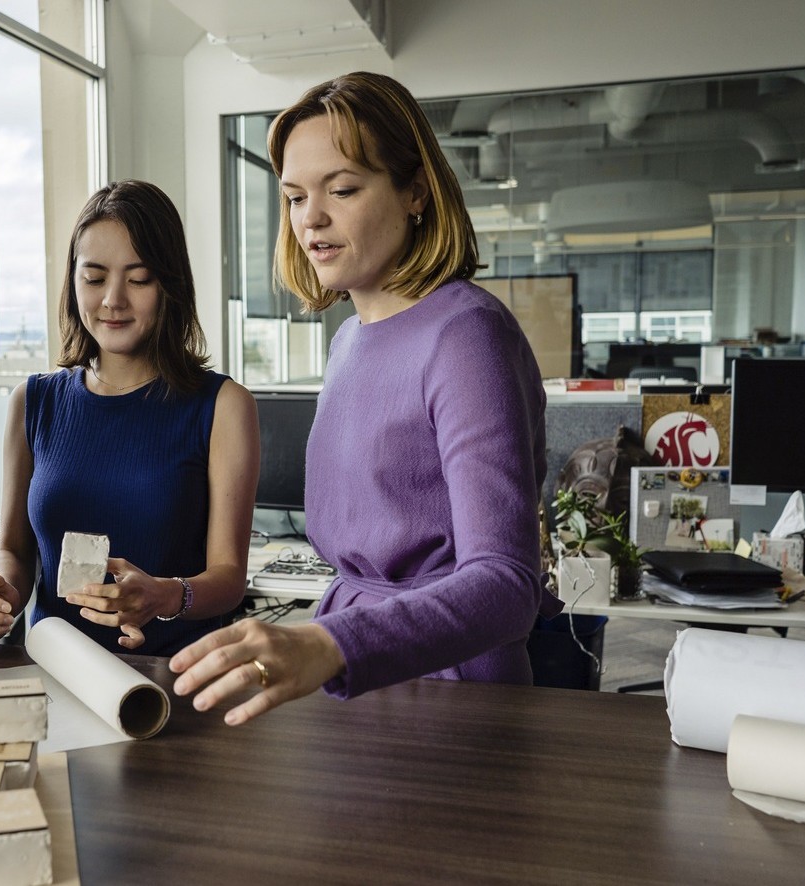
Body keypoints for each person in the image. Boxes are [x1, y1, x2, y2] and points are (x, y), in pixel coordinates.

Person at [170, 72, 563, 725]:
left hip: (450, 686)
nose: (310, 219)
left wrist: (331, 642)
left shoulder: (466, 335)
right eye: (295, 197)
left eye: (342, 189)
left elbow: (506, 583)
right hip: (353, 668)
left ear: (416, 192)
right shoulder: (350, 339)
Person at [0, 180, 259, 656]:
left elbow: (228, 579)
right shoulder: (32, 401)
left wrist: (164, 595)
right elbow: (16, 551)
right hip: (55, 671)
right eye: (95, 277)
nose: (113, 300)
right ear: (73, 280)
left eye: (139, 279)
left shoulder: (222, 405)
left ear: (170, 284)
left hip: (176, 677)